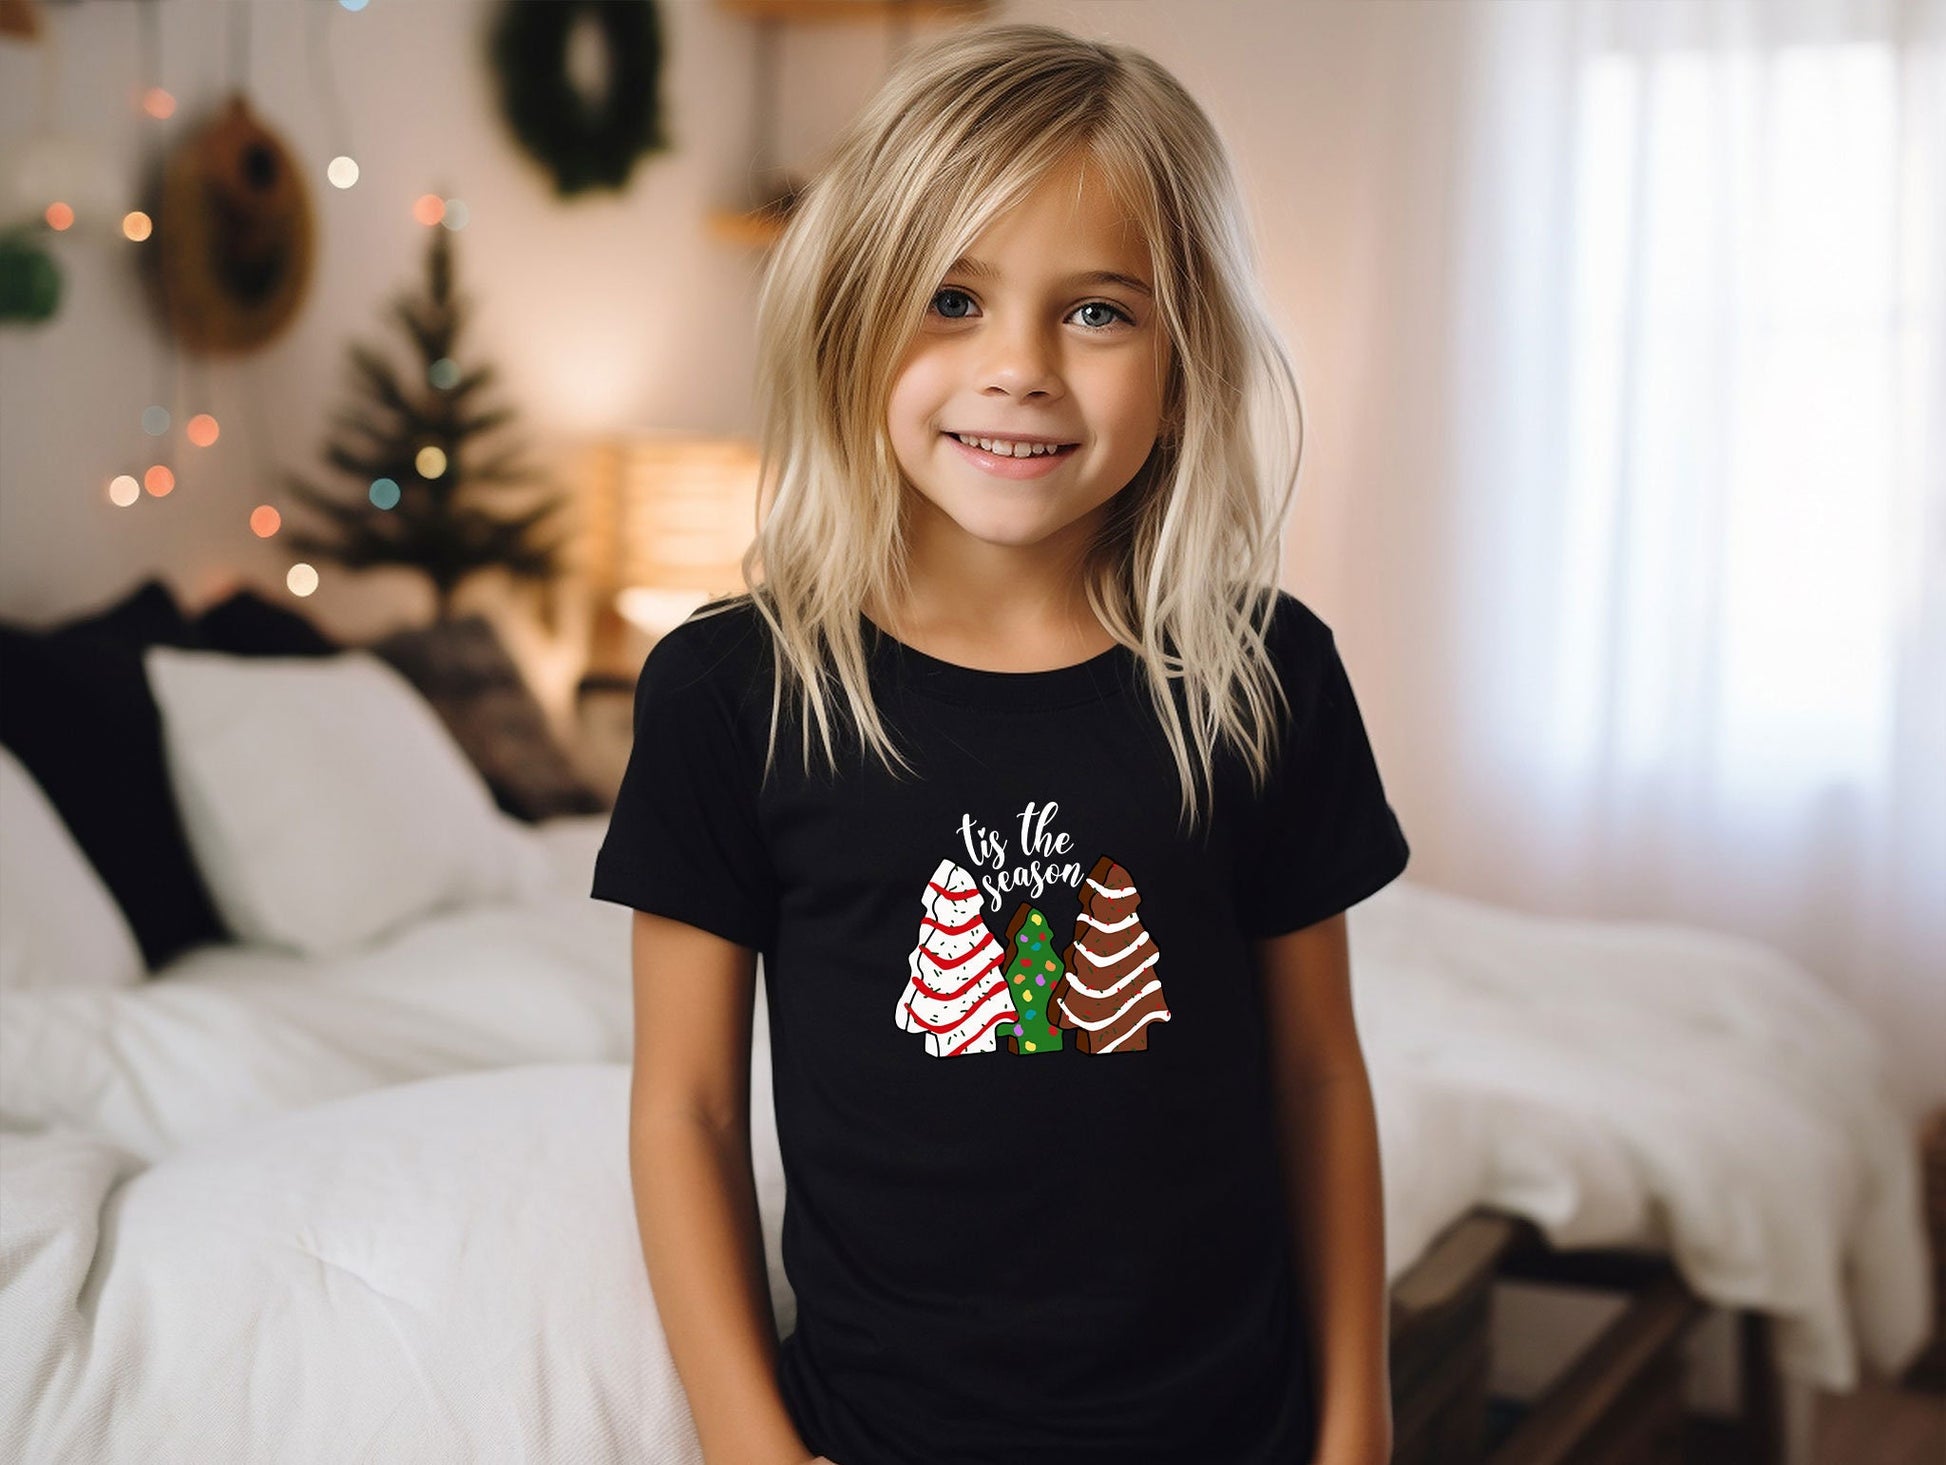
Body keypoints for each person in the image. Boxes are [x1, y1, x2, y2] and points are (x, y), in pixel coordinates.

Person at [591, 21, 1409, 1465]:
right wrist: (750, 1449)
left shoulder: (1264, 672)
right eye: (951, 299)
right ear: (851, 319)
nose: (1019, 368)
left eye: (1098, 311)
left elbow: (1316, 1077)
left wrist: (1356, 1427)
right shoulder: (730, 692)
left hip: (1235, 1427)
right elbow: (689, 1108)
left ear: (1186, 349)